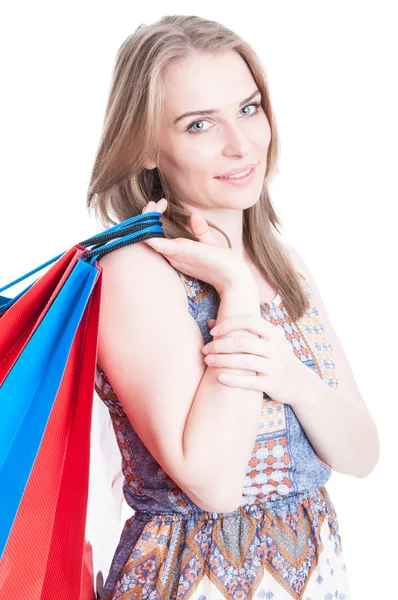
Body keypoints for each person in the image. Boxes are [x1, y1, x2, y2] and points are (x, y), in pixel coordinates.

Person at [87, 14, 379, 600]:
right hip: (195, 580)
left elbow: (361, 453)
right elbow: (215, 484)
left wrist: (290, 377)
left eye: (249, 108)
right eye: (199, 124)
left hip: (314, 570)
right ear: (146, 145)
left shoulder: (284, 265)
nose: (241, 144)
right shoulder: (135, 274)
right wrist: (237, 296)